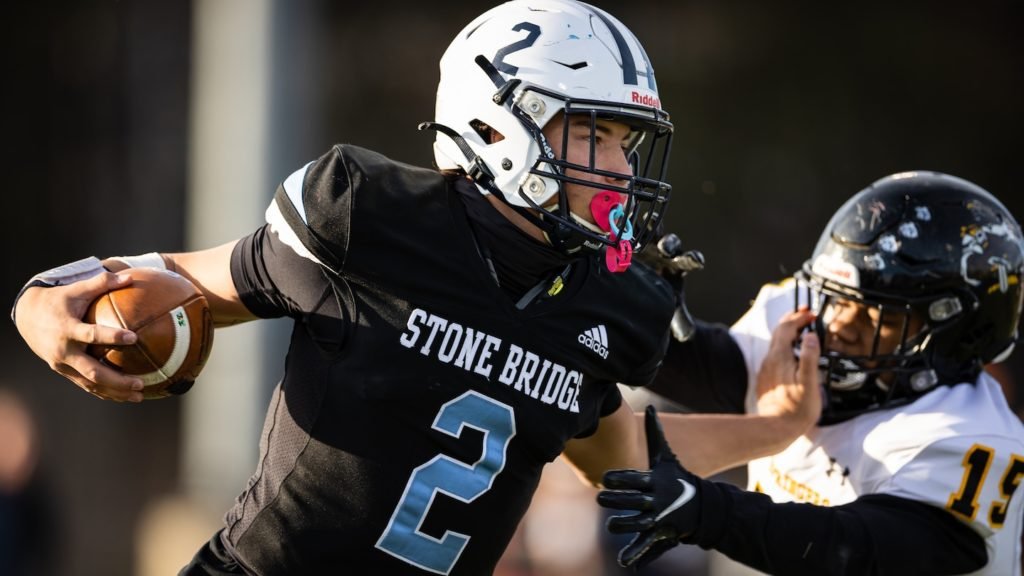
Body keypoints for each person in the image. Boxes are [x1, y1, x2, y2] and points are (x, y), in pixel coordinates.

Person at [11, 1, 820, 574]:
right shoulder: (370, 220)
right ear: (502, 124)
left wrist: (777, 428)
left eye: (624, 141)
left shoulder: (609, 302)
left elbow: (621, 461)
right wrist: (40, 302)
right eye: (593, 133)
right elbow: (183, 280)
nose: (618, 167)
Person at [598, 170, 1024, 575]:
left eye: (878, 315)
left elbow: (850, 550)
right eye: (837, 299)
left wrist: (709, 511)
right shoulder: (806, 330)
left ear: (956, 334)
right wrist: (632, 312)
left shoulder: (968, 438)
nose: (838, 326)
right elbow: (715, 372)